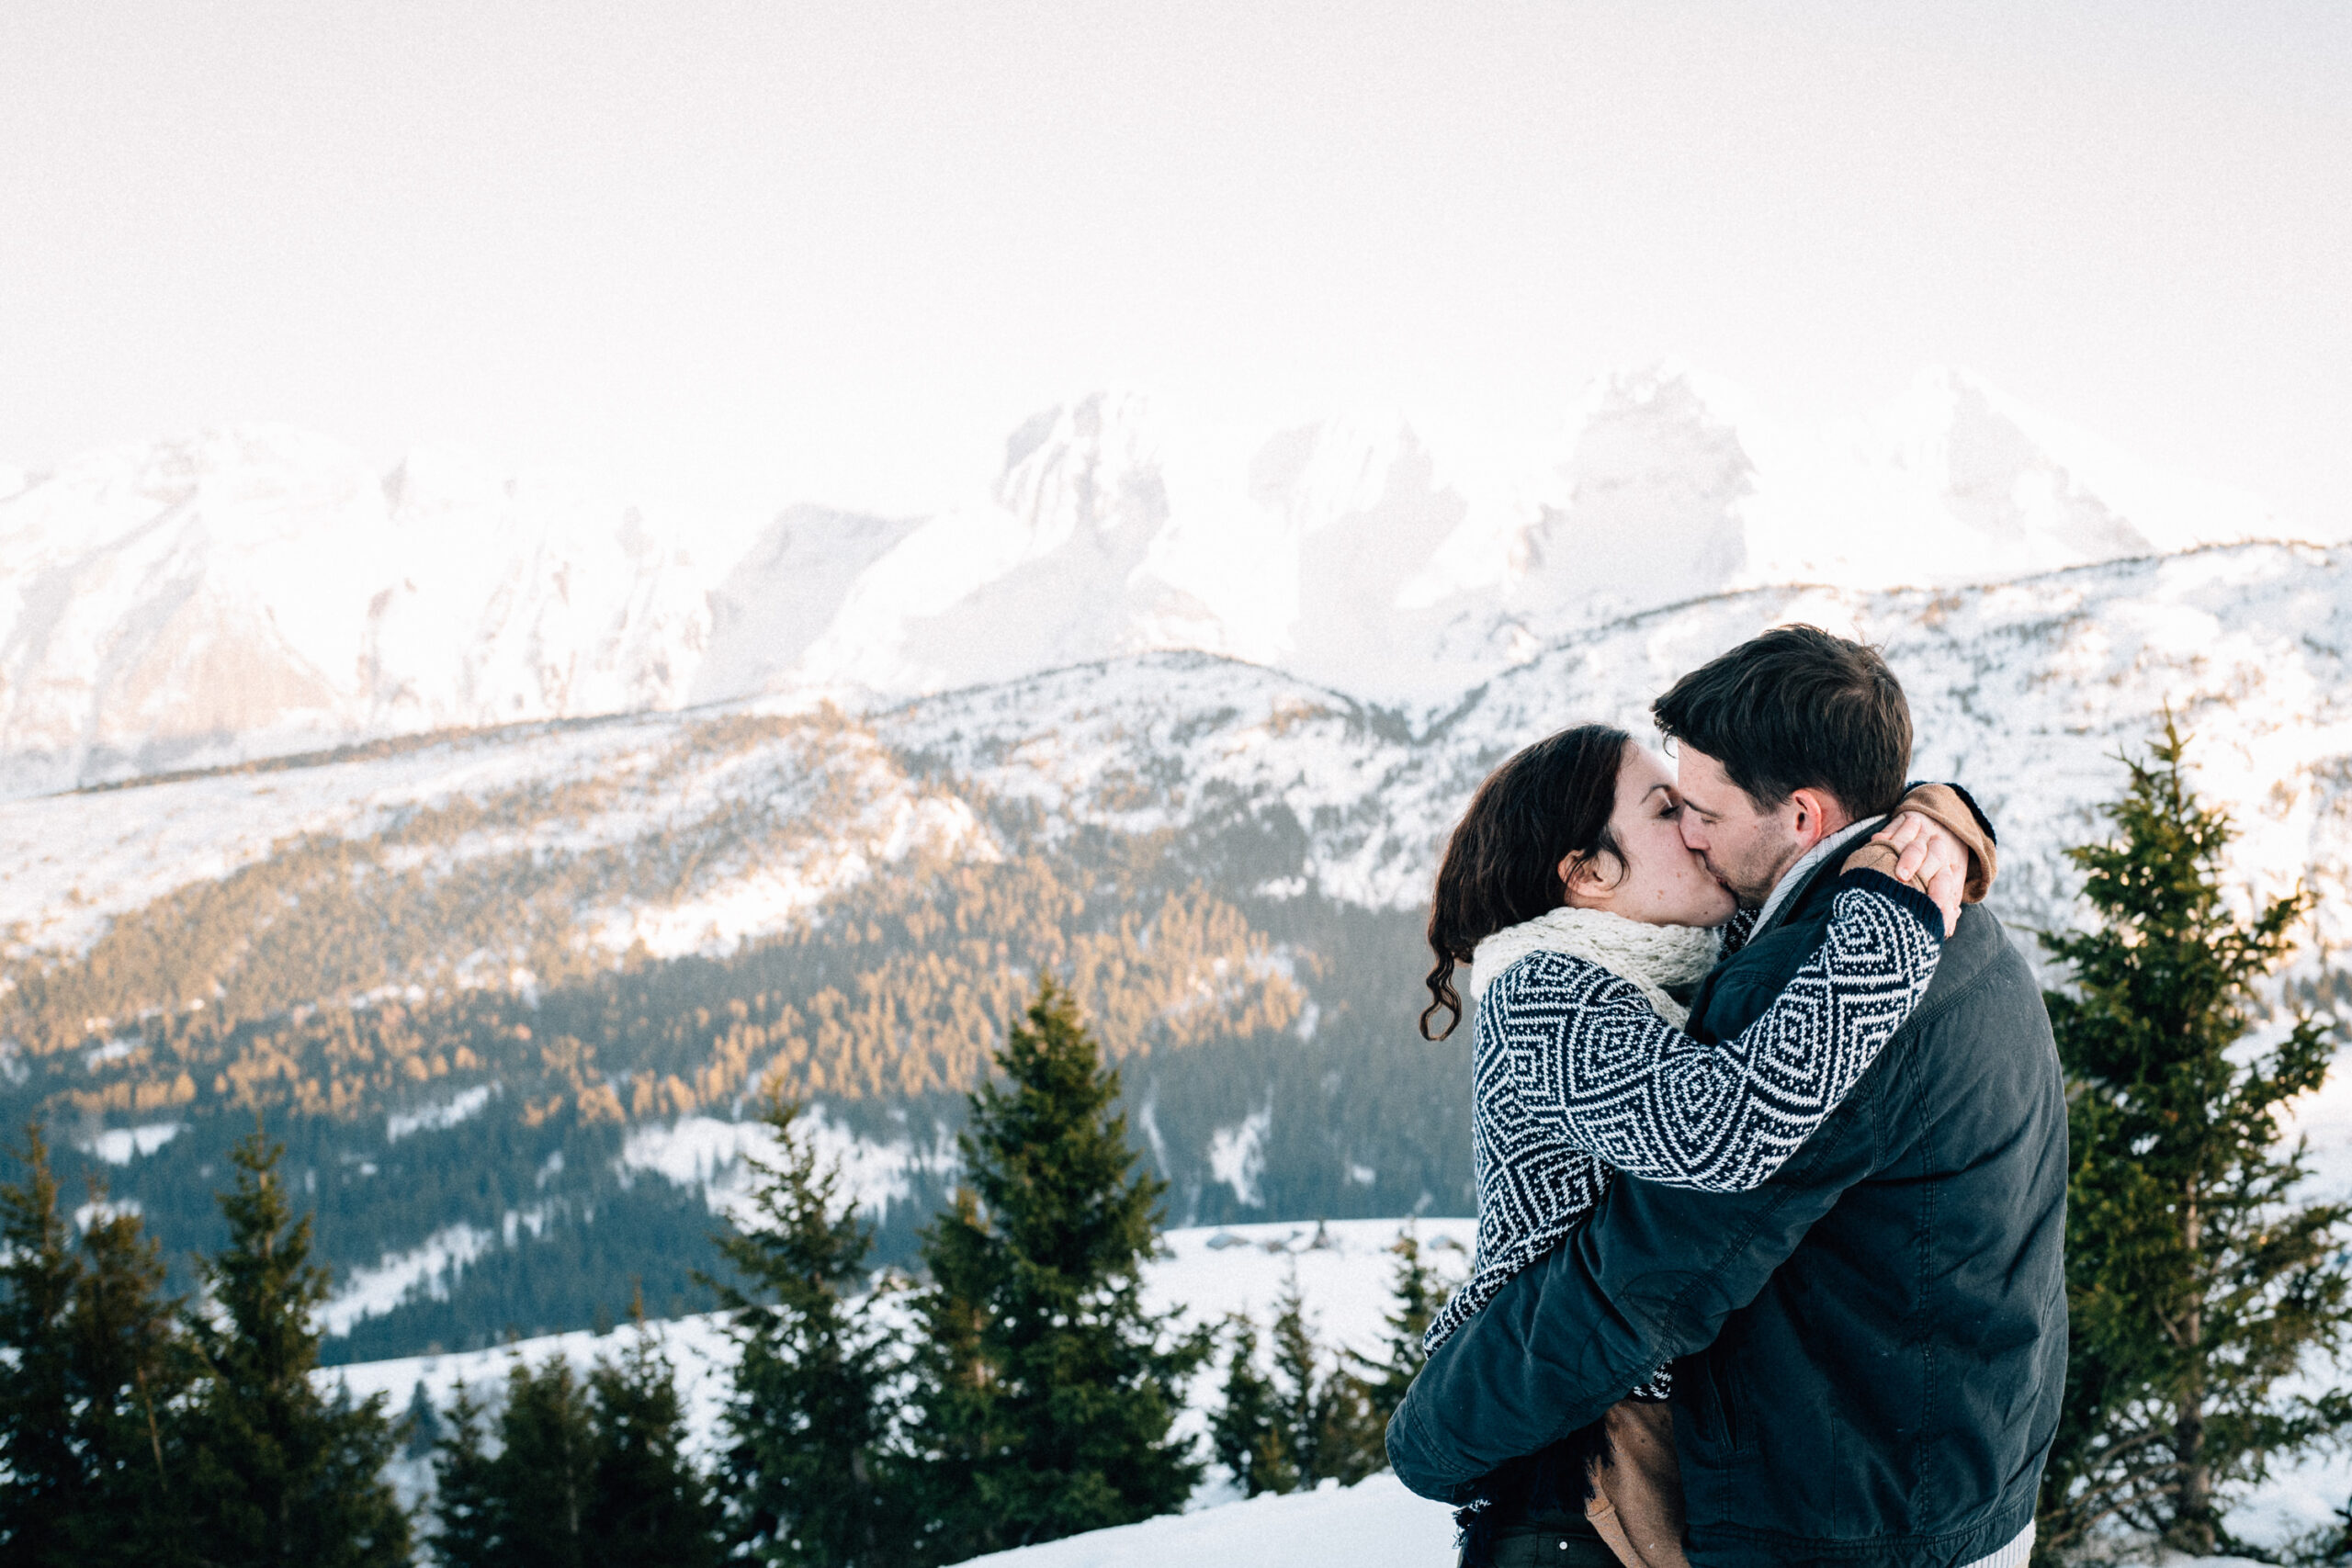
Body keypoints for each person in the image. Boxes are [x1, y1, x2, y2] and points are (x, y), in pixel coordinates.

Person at [1389, 626, 2068, 1568]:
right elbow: (1720, 1132)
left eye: (1691, 805)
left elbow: (1731, 1119)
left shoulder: (1727, 945)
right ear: (1585, 875)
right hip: (1564, 1429)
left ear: (1796, 818)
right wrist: (1432, 1432)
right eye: (1667, 811)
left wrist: (1940, 823)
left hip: (1725, 1442)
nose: (1695, 832)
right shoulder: (1549, 995)